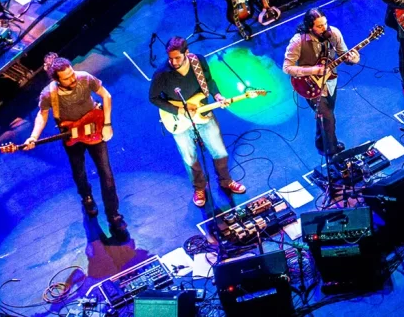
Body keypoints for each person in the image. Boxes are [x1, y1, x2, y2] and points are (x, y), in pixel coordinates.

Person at [24, 53, 128, 241]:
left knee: (107, 174)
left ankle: (114, 215)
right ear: (56, 79)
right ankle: (86, 197)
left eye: (72, 74)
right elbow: (42, 115)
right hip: (71, 135)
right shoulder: (49, 93)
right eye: (67, 78)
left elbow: (106, 95)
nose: (73, 79)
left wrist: (107, 123)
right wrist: (33, 137)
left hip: (94, 130)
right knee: (79, 171)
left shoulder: (84, 78)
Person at [148, 37, 246, 208]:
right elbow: (153, 98)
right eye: (170, 58)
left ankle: (226, 181)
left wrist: (217, 95)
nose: (173, 61)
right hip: (179, 119)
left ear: (186, 53)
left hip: (203, 113)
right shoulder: (161, 74)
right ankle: (199, 188)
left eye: (177, 57)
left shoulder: (197, 61)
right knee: (190, 157)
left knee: (219, 151)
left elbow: (208, 81)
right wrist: (178, 110)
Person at [282, 8, 359, 157]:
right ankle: (332, 152)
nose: (325, 28)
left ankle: (321, 142)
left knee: (324, 115)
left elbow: (344, 55)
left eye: (325, 23)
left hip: (330, 82)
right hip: (309, 85)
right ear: (310, 27)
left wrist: (353, 60)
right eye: (319, 26)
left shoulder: (334, 33)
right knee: (329, 118)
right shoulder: (298, 41)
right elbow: (287, 67)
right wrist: (312, 70)